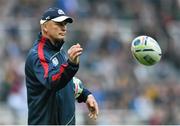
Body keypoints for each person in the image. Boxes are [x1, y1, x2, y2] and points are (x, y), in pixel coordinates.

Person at [25, 7, 99, 125]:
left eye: (65, 24)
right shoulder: (37, 55)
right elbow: (53, 81)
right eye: (58, 24)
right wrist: (71, 65)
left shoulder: (59, 51)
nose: (64, 28)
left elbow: (67, 81)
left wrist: (85, 95)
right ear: (45, 27)